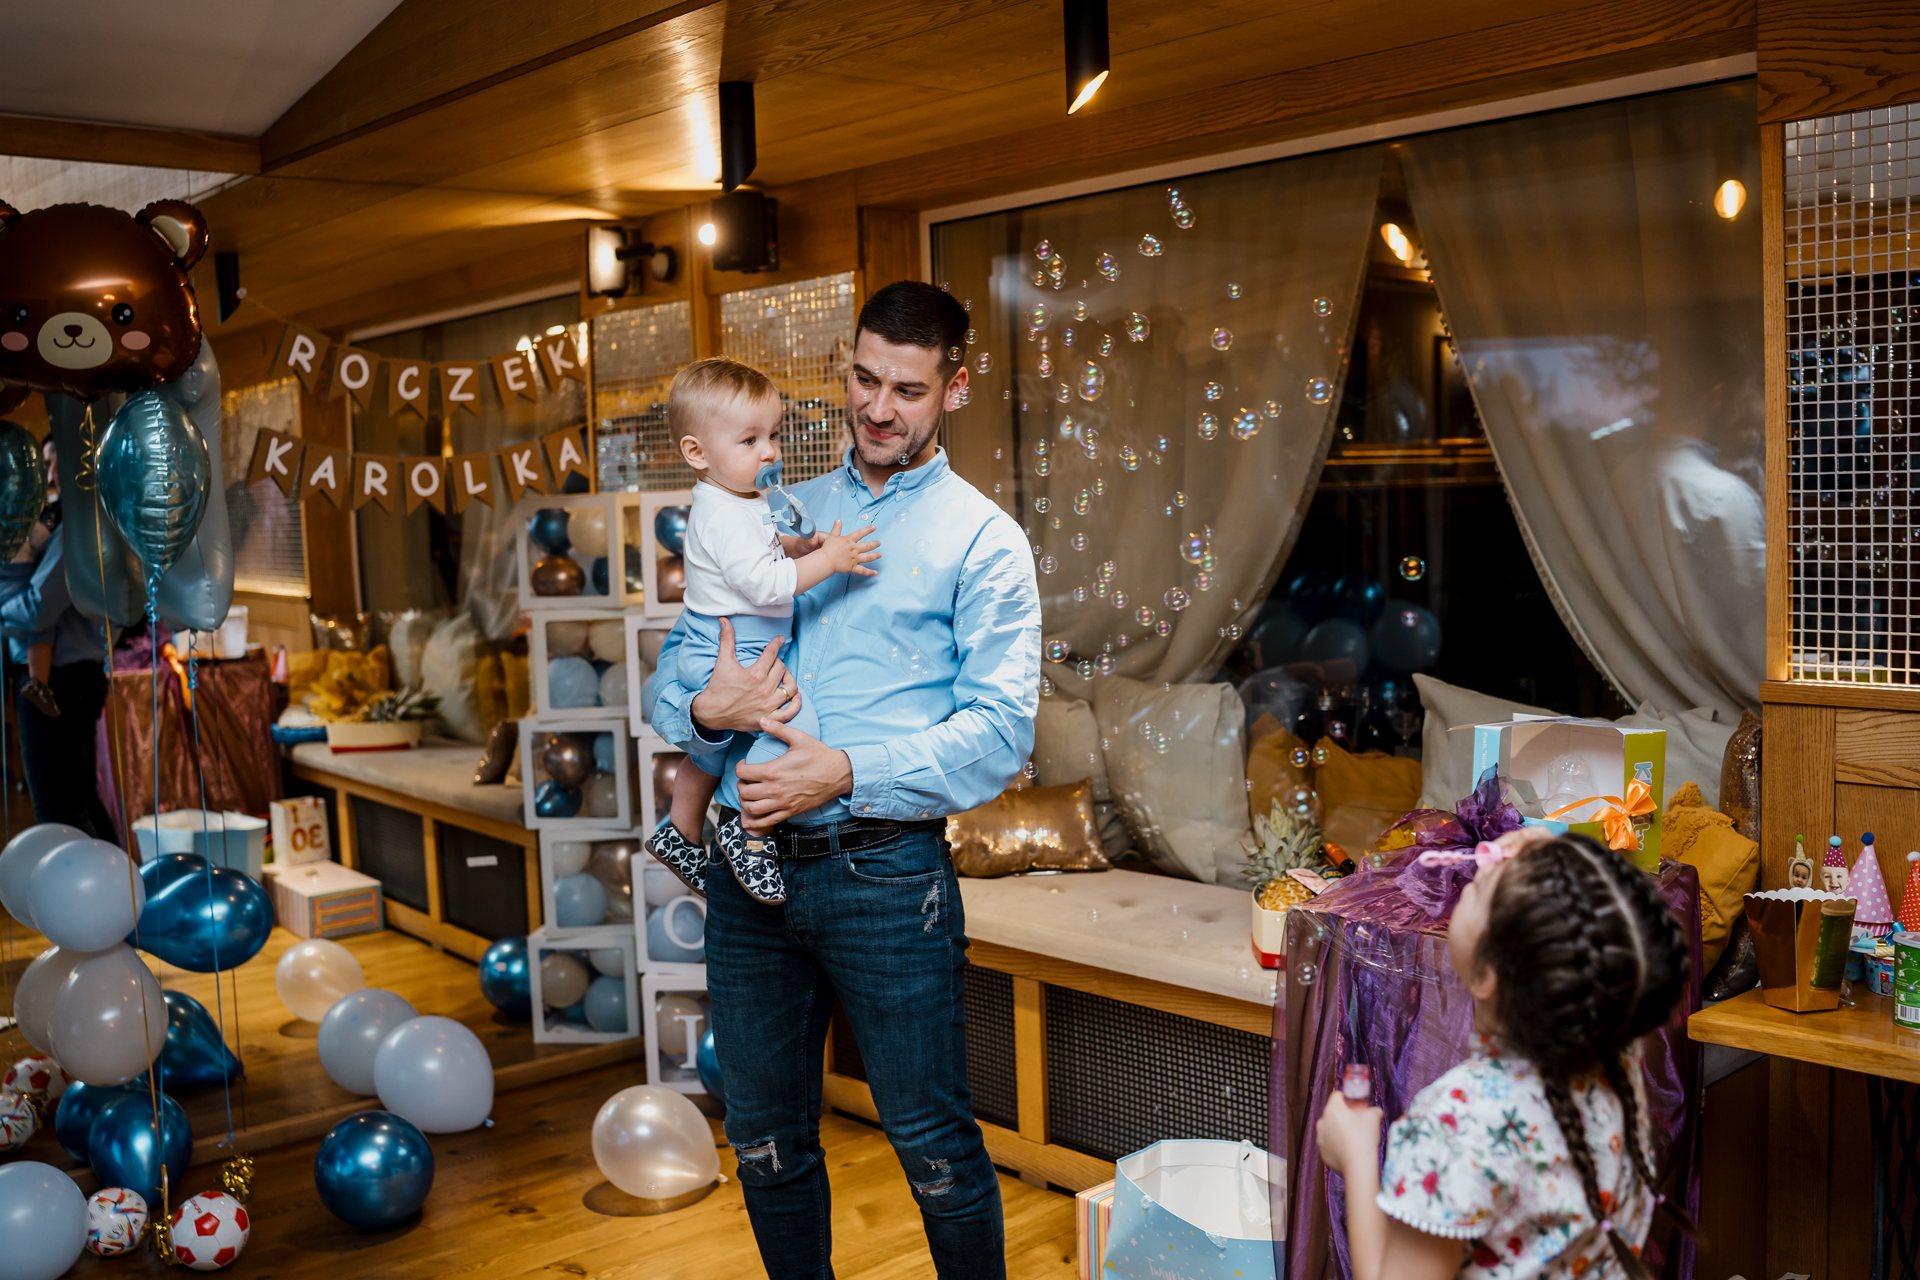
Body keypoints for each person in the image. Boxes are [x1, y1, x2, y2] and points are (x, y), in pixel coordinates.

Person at [649, 280, 1041, 1279]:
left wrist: (848, 771)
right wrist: (707, 711)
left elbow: (1001, 732)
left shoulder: (984, 538)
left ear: (954, 388)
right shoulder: (770, 506)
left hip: (886, 878)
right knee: (763, 1139)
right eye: (865, 379)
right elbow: (676, 671)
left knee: (934, 1148)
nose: (877, 407)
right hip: (745, 876)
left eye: (907, 389)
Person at [1316, 829, 1692, 1280]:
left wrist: (1357, 1156)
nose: (1481, 869)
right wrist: (1546, 859)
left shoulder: (1457, 1121)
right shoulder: (1615, 1059)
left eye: (1477, 891)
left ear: (1486, 974)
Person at [650, 356, 882, 903]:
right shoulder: (723, 513)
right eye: (750, 440)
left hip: (718, 644)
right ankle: (747, 830)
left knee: (711, 754)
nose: (770, 451)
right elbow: (765, 584)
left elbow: (769, 545)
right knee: (791, 724)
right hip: (736, 647)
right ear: (697, 453)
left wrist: (798, 543)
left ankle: (679, 831)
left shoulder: (741, 498)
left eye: (773, 435)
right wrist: (829, 560)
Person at [0, 442, 115, 837]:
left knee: (60, 815)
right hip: (74, 674)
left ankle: (102, 879)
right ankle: (118, 877)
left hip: (62, 681)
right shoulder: (64, 520)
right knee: (80, 802)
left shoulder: (77, 529)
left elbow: (39, 608)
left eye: (54, 464)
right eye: (44, 465)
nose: (49, 476)